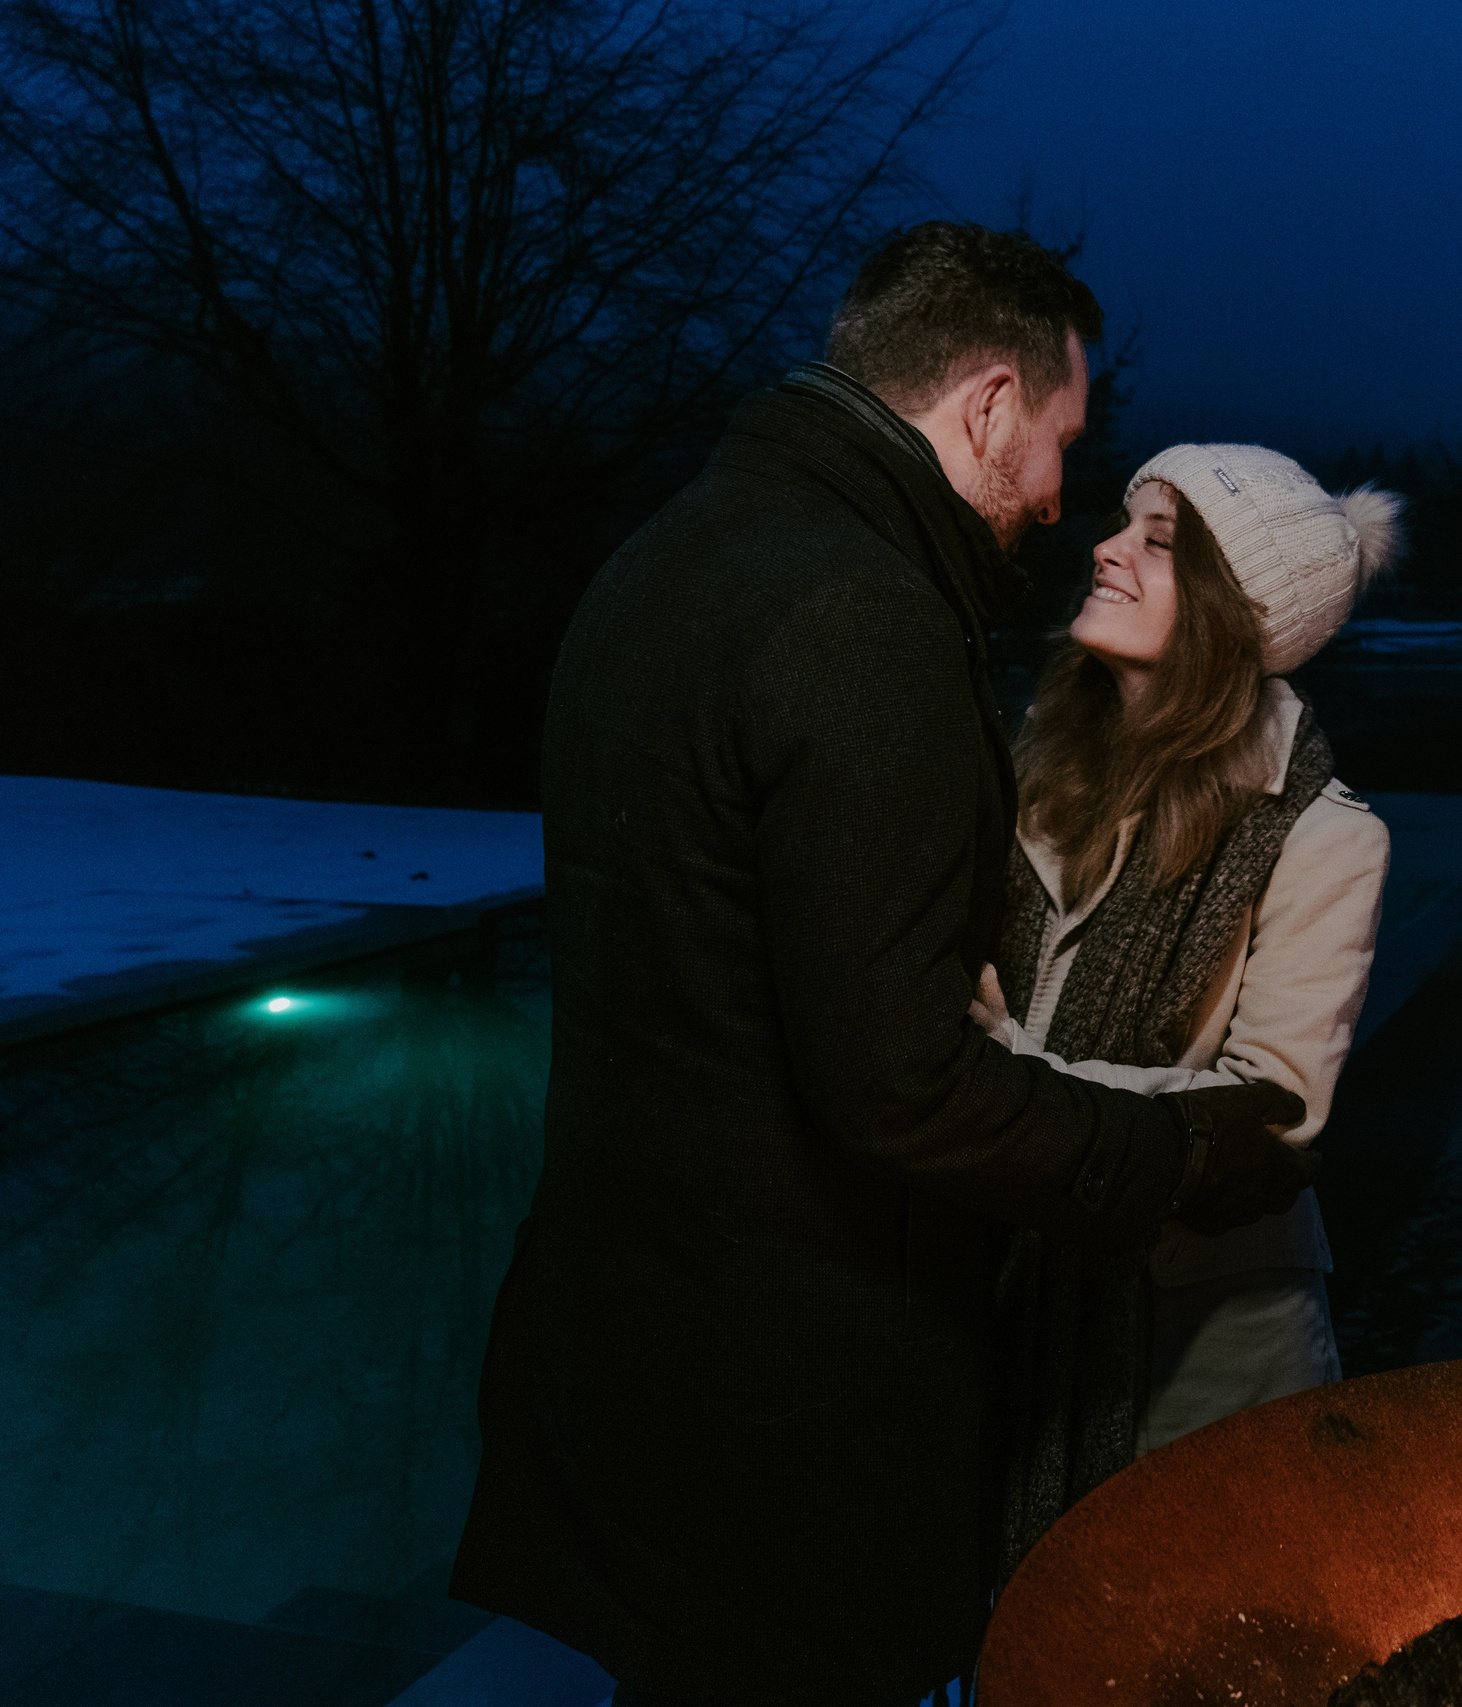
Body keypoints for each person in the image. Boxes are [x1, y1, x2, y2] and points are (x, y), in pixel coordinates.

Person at [449, 224, 1316, 1707]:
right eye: (1058, 444)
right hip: (779, 1411)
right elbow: (900, 1088)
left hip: (628, 1359)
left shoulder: (668, 558)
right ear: (987, 404)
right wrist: (1166, 1151)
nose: (1056, 499)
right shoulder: (861, 619)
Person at [971, 446, 1399, 1578]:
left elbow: (1273, 1111)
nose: (1106, 549)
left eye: (1157, 543)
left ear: (1229, 615)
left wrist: (1003, 1083)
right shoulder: (1034, 777)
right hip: (1013, 1303)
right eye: (1124, 524)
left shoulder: (1323, 835)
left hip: (1201, 1353)